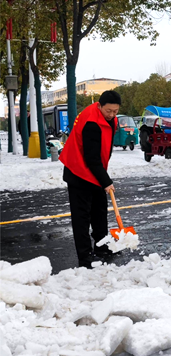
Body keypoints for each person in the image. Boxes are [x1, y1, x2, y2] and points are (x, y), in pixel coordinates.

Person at [59, 91, 121, 268]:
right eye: (108, 111)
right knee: (82, 217)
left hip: (94, 170)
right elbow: (91, 158)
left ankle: (102, 247)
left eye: (115, 111)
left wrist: (102, 177)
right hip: (78, 171)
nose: (111, 115)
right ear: (99, 105)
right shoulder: (91, 123)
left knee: (100, 211)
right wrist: (106, 181)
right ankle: (85, 256)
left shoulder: (109, 118)